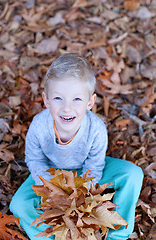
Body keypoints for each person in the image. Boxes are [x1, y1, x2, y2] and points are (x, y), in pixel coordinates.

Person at [10, 53, 144, 240]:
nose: (67, 108)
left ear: (90, 102)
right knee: (18, 205)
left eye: (77, 99)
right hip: (51, 172)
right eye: (58, 98)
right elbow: (34, 159)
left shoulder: (96, 128)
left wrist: (81, 193)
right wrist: (51, 189)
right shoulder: (39, 126)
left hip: (86, 171)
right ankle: (53, 236)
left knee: (133, 174)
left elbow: (95, 164)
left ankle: (118, 233)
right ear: (46, 100)